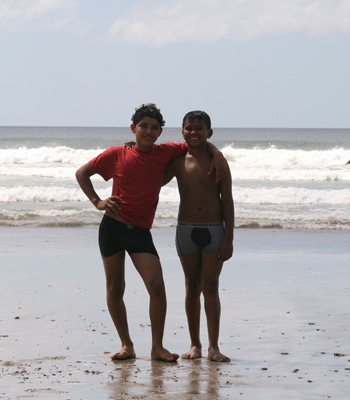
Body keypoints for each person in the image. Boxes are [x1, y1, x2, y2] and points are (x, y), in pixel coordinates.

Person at [75, 103, 227, 362]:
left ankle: (157, 347)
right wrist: (98, 202)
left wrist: (219, 155)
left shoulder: (165, 152)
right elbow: (82, 173)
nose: (148, 131)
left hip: (140, 232)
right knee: (115, 287)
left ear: (160, 133)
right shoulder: (115, 154)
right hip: (112, 227)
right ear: (133, 128)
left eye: (154, 128)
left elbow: (196, 143)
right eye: (143, 126)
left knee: (156, 286)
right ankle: (127, 345)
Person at [163, 110, 234, 362]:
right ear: (182, 132)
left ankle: (214, 347)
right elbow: (150, 177)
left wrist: (229, 238)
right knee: (191, 286)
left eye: (199, 128)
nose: (194, 132)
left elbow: (228, 201)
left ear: (209, 132)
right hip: (186, 229)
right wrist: (133, 148)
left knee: (211, 286)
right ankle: (195, 345)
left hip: (214, 229)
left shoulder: (219, 162)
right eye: (189, 128)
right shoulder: (177, 161)